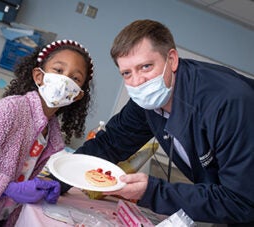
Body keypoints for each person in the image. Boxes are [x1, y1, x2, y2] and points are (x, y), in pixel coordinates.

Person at [64, 20, 254, 226]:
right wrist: (60, 178)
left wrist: (152, 191)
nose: (137, 82)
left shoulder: (227, 102)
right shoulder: (147, 101)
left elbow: (241, 201)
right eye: (127, 73)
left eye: (146, 67)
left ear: (171, 60)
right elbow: (109, 143)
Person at [0, 39, 94, 226]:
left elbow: (23, 169)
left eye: (75, 78)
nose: (65, 80)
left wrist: (42, 186)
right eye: (59, 71)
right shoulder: (10, 111)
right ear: (39, 76)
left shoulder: (52, 135)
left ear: (77, 94)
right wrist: (6, 187)